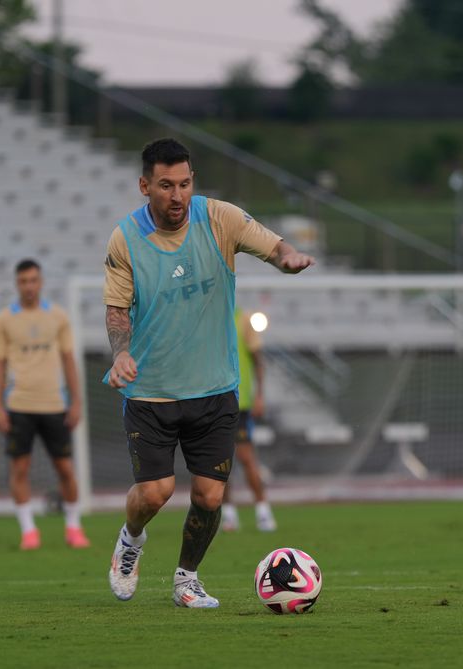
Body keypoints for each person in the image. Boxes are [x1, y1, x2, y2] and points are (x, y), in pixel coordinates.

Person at [102, 138, 315, 608]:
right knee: (155, 492)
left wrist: (289, 259)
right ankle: (130, 541)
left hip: (215, 389)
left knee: (210, 496)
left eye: (184, 184)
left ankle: (186, 580)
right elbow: (118, 312)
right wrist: (120, 354)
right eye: (165, 185)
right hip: (152, 392)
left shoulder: (220, 218)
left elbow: (274, 246)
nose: (177, 195)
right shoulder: (125, 238)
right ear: (145, 186)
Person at [0, 259, 89, 551]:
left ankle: (73, 527)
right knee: (20, 469)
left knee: (65, 469)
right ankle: (29, 531)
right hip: (19, 404)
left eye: (33, 280)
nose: (29, 286)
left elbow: (69, 359)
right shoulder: (4, 320)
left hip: (54, 404)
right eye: (23, 281)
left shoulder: (58, 317)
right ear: (16, 284)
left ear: (41, 282)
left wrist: (77, 401)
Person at [220, 308, 276, 533]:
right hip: (211, 404)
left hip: (239, 402)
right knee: (219, 464)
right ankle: (229, 515)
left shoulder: (241, 319)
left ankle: (263, 511)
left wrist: (259, 395)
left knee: (246, 457)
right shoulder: (204, 317)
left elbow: (258, 360)